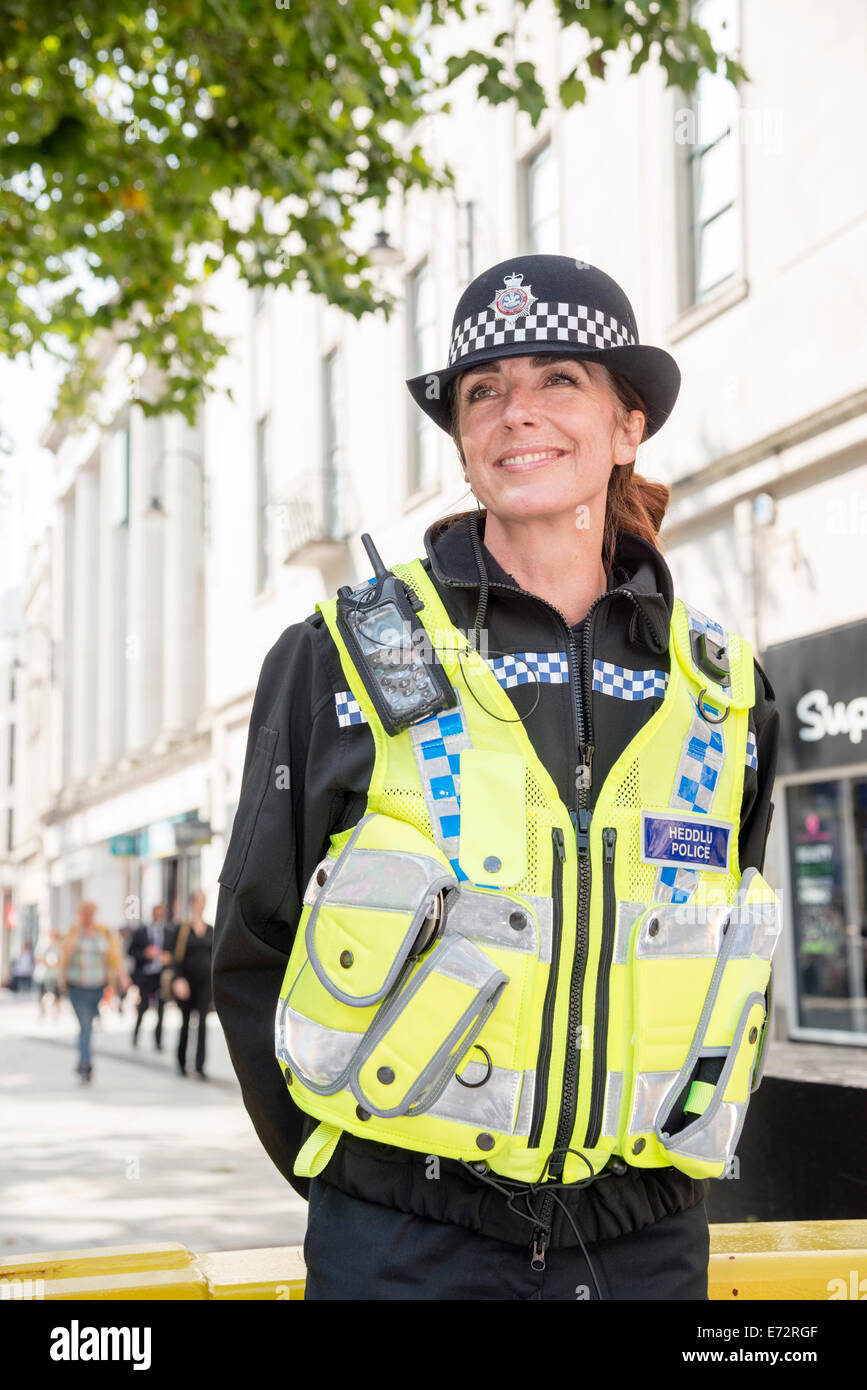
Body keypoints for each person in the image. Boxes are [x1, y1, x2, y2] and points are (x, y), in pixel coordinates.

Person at [213, 255, 780, 1301]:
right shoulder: (343, 655)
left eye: (560, 378)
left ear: (627, 426)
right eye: (485, 391)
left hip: (646, 1249)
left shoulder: (727, 688)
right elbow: (254, 945)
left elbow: (728, 947)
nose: (519, 412)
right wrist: (361, 1188)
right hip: (403, 1245)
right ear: (465, 443)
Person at [59, 900, 129, 1081]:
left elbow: (114, 956)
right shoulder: (74, 932)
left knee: (87, 1025)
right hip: (77, 987)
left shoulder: (102, 932)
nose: (89, 916)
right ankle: (85, 1063)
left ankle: (84, 1060)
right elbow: (64, 953)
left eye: (92, 913)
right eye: (86, 913)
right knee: (85, 1025)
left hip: (97, 986)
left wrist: (122, 977)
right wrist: (79, 932)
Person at [169, 891, 214, 1079]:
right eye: (197, 901)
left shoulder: (211, 929)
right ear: (192, 904)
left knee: (203, 1022)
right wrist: (178, 979)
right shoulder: (182, 929)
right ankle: (181, 1062)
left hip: (205, 983)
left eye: (203, 902)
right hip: (186, 981)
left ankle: (200, 1065)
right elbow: (175, 958)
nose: (200, 905)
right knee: (186, 1022)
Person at [129, 904, 170, 1049]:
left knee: (161, 1009)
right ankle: (135, 1036)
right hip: (146, 975)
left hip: (160, 976)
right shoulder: (141, 932)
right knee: (143, 1007)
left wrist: (167, 958)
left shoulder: (168, 931)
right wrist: (145, 954)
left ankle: (158, 1041)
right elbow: (131, 951)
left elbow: (172, 953)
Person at [35, 929, 64, 1016]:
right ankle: (43, 1012)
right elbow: (39, 959)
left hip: (55, 976)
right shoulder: (46, 948)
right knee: (43, 994)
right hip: (45, 976)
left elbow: (62, 962)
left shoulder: (59, 949)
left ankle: (57, 1012)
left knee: (57, 995)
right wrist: (46, 963)